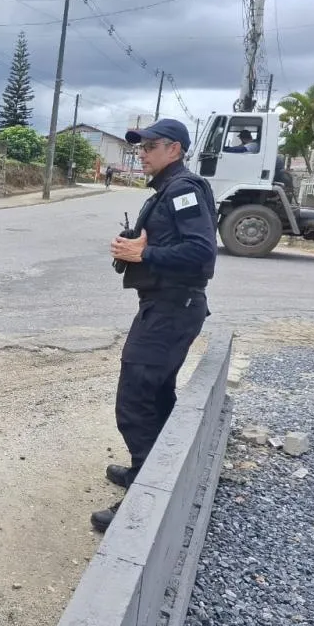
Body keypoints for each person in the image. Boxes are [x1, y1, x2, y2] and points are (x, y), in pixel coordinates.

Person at [94, 118, 217, 533]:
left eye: (150, 147)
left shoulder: (183, 189)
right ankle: (152, 472)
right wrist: (133, 246)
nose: (142, 154)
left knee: (136, 398)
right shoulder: (167, 188)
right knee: (157, 393)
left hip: (172, 308)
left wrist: (144, 255)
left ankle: (143, 499)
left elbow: (201, 252)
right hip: (165, 306)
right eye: (140, 148)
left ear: (175, 149)